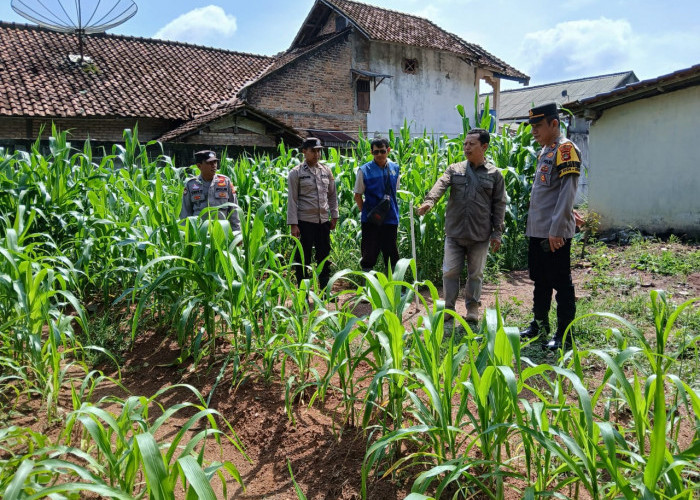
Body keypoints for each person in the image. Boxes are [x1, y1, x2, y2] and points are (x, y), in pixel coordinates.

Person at [417, 128, 506, 322]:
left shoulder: (495, 174)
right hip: (455, 232)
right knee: (450, 271)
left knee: (476, 274)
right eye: (465, 144)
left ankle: (472, 309)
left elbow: (500, 205)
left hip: (480, 234)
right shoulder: (454, 169)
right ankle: (449, 308)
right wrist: (429, 201)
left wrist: (497, 233)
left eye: (471, 144)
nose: (466, 147)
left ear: (484, 146)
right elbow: (441, 184)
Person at [519, 103, 582, 350]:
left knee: (560, 282)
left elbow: (568, 191)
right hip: (538, 229)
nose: (533, 131)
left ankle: (565, 334)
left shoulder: (566, 149)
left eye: (538, 126)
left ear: (554, 124)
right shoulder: (547, 150)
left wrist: (557, 229)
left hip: (553, 233)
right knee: (541, 280)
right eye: (532, 126)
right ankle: (539, 324)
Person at [287, 137, 339, 290]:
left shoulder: (326, 171)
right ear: (304, 151)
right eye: (313, 151)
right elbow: (292, 200)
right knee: (303, 258)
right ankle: (303, 291)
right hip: (304, 222)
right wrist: (293, 225)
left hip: (323, 221)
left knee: (324, 256)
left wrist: (334, 215)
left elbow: (332, 195)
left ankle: (324, 289)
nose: (317, 154)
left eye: (319, 151)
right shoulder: (296, 173)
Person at [354, 137, 400, 274]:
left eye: (382, 151)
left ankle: (392, 288)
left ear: (388, 150)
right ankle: (367, 288)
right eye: (376, 152)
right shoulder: (364, 170)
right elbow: (357, 195)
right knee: (369, 254)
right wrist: (368, 214)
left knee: (391, 254)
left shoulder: (395, 169)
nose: (379, 154)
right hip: (370, 220)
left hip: (390, 218)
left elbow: (395, 191)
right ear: (371, 152)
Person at [180, 150, 240, 231]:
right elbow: (185, 212)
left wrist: (237, 233)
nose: (214, 165)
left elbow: (234, 211)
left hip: (221, 232)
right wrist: (184, 234)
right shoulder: (191, 184)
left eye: (215, 162)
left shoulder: (225, 181)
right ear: (199, 166)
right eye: (209, 163)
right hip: (200, 233)